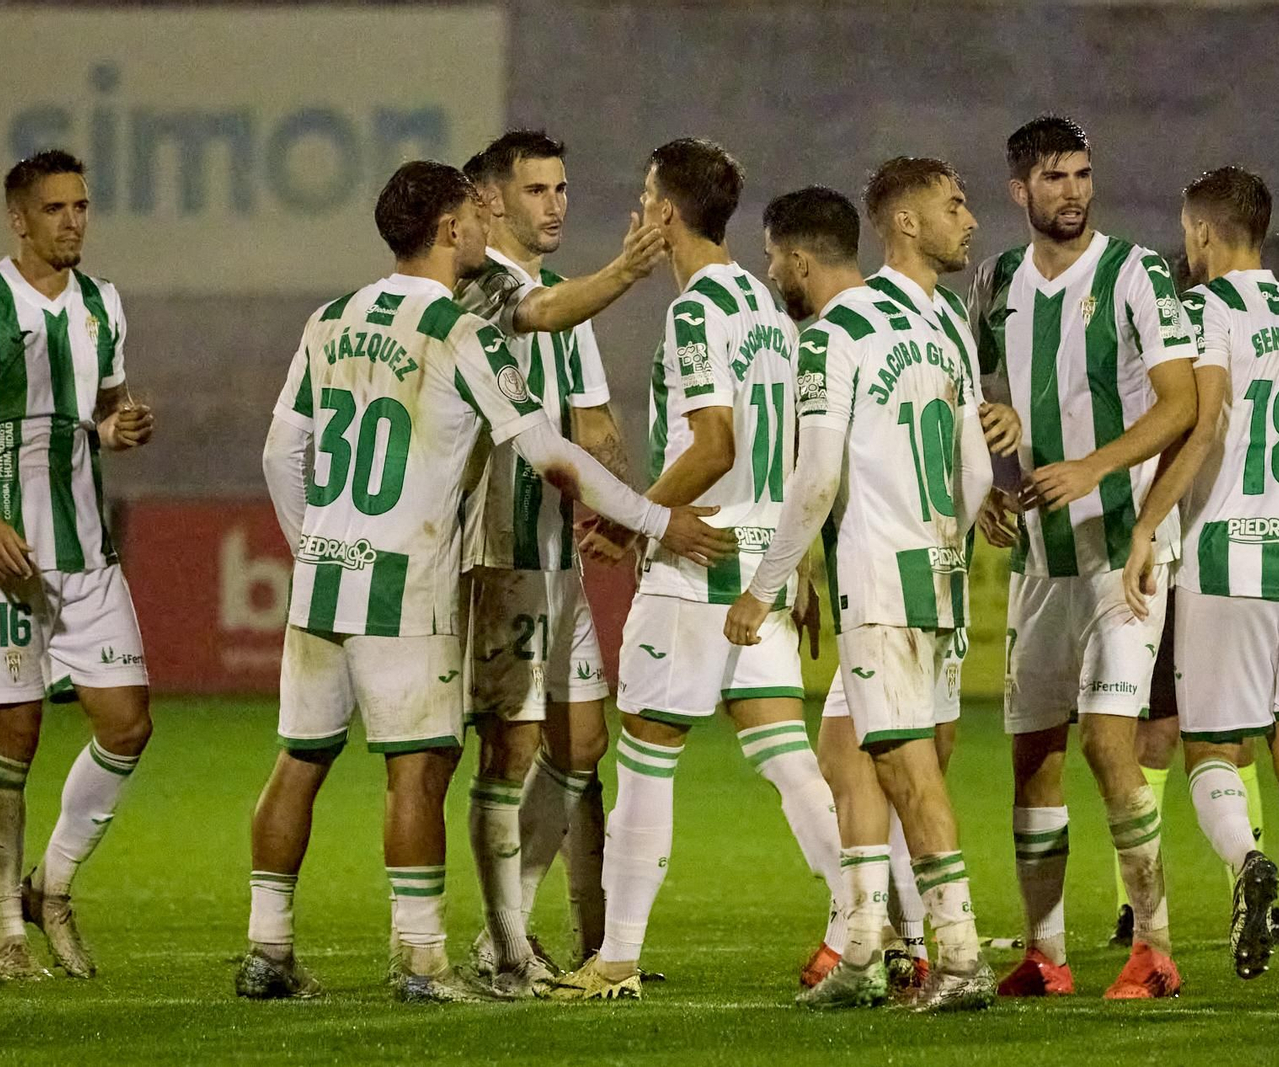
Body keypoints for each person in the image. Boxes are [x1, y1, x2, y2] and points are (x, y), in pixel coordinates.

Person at [237, 160, 729, 1003]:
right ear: (446, 229)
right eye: (473, 213)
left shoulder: (329, 320)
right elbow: (550, 454)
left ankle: (267, 950)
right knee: (418, 771)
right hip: (405, 588)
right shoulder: (459, 332)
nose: (483, 222)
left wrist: (312, 545)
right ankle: (423, 962)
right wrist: (653, 518)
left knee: (299, 759)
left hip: (324, 580)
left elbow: (283, 452)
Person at [546, 140, 844, 1001]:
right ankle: (872, 926)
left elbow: (714, 445)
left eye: (647, 196)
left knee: (647, 757)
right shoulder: (765, 306)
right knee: (789, 761)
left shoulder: (697, 311)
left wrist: (629, 517)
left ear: (667, 213)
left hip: (698, 558)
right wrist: (797, 559)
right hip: (759, 561)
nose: (639, 209)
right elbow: (789, 443)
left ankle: (616, 959)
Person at [726, 180, 996, 1011]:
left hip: (879, 584)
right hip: (937, 574)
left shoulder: (833, 334)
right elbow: (977, 473)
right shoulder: (944, 326)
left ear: (798, 261)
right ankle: (863, 949)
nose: (772, 273)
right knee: (846, 755)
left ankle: (958, 956)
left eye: (773, 259)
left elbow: (815, 476)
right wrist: (940, 544)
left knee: (910, 773)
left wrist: (764, 586)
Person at [0, 149, 157, 982]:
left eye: (81, 205)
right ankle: (5, 931)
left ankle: (51, 885)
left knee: (127, 723)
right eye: (54, 208)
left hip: (84, 550)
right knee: (15, 733)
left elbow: (104, 410)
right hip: (0, 553)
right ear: (18, 218)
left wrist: (121, 426)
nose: (72, 221)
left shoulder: (102, 304)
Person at [971, 115, 1199, 1000]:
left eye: (1081, 173)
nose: (1073, 192)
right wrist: (988, 483)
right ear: (1018, 190)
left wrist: (1095, 467)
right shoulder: (995, 282)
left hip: (1123, 552)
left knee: (1108, 740)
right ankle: (1046, 953)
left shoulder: (1135, 272)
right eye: (1053, 177)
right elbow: (977, 400)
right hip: (1041, 555)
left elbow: (1180, 403)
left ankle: (1154, 947)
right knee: (1033, 752)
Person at [1122, 165, 1279, 999]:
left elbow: (1205, 416)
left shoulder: (1204, 309)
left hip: (1224, 556)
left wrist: (1149, 523)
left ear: (1202, 233)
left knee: (1210, 747)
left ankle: (1248, 859)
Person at [455, 131, 643, 984]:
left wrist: (620, 508)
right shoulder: (480, 290)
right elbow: (544, 314)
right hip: (498, 552)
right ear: (490, 201)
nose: (556, 203)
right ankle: (499, 938)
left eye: (562, 187)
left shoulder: (566, 300)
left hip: (556, 556)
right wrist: (627, 268)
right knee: (510, 748)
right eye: (537, 190)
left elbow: (596, 426)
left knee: (581, 742)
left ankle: (508, 929)